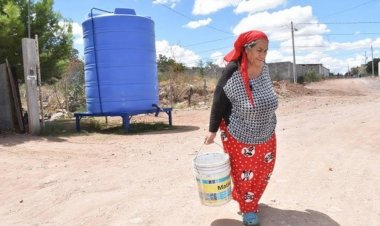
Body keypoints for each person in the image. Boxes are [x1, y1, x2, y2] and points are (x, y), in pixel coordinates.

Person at [204, 30, 278, 226]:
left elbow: (266, 92)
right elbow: (219, 98)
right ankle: (248, 208)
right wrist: (212, 129)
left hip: (266, 129)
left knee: (264, 169)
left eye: (266, 51)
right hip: (239, 131)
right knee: (245, 172)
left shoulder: (265, 68)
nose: (262, 55)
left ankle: (250, 198)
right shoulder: (233, 70)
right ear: (247, 49)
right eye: (259, 50)